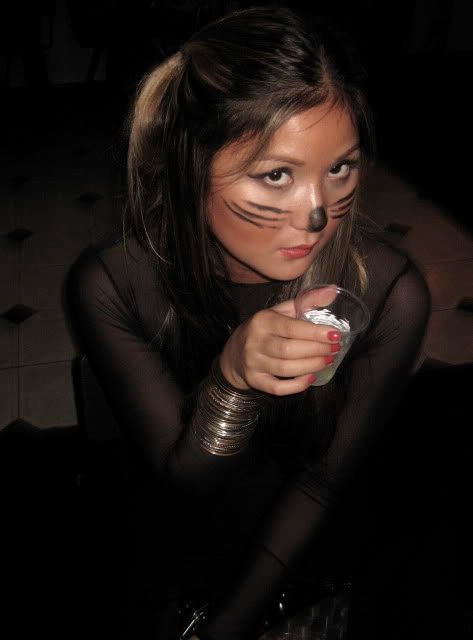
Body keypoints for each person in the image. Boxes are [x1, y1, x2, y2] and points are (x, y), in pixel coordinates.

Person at [65, 5, 432, 639]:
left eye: (339, 167)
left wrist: (234, 624)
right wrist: (230, 381)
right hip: (172, 552)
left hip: (303, 566)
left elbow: (322, 484)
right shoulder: (114, 284)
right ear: (187, 166)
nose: (318, 215)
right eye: (277, 175)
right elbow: (182, 484)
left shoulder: (387, 292)